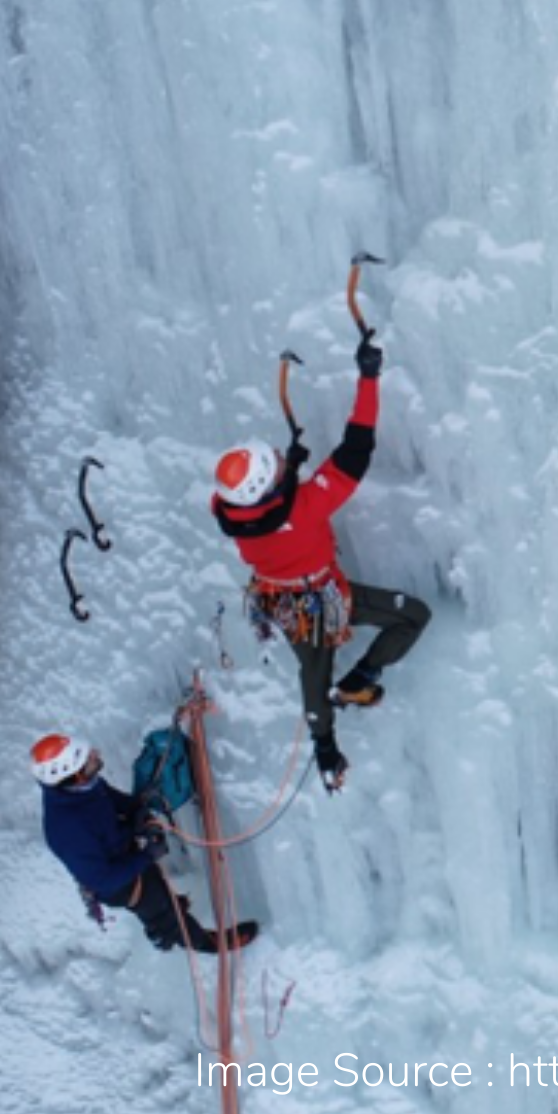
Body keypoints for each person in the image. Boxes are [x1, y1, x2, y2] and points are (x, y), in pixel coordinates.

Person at [211, 336, 431, 791]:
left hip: (279, 600)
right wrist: (369, 378)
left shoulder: (230, 516)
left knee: (314, 671)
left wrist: (287, 468)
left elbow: (267, 511)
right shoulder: (306, 505)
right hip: (321, 601)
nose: (277, 461)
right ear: (270, 490)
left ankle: (330, 733)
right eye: (272, 467)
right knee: (409, 617)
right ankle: (357, 685)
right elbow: (357, 447)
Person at [31, 733, 258, 952]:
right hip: (119, 883)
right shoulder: (66, 830)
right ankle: (206, 943)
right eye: (88, 759)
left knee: (157, 887)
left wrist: (137, 812)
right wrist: (147, 855)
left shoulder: (81, 787)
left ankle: (162, 918)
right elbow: (103, 880)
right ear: (76, 774)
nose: (95, 754)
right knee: (162, 912)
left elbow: (109, 797)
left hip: (125, 854)